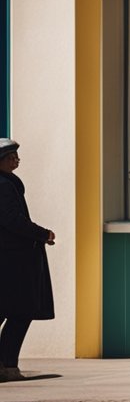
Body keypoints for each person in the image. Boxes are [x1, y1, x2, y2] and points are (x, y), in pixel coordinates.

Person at [0, 139, 56, 383]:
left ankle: (5, 365)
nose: (16, 159)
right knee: (19, 312)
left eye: (16, 155)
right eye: (11, 156)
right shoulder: (3, 185)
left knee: (11, 312)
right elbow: (12, 219)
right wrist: (41, 233)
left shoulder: (9, 183)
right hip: (12, 260)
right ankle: (8, 366)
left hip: (12, 258)